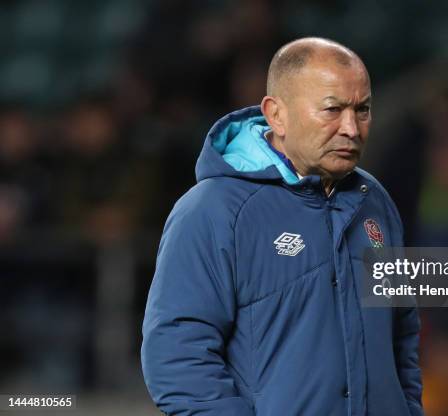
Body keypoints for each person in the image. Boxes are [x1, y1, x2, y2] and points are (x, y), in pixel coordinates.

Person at [141, 37, 423, 416]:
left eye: (363, 110)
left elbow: (401, 336)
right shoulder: (211, 211)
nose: (351, 129)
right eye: (332, 109)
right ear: (277, 114)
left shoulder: (376, 202)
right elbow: (177, 356)